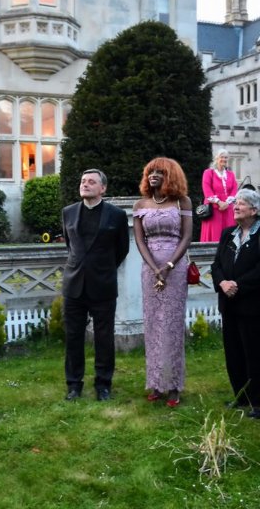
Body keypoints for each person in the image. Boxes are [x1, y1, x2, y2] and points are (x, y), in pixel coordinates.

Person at [61, 169, 129, 402]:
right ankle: (73, 385)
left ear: (103, 188)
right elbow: (71, 246)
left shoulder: (117, 215)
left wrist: (104, 269)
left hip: (103, 286)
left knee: (104, 338)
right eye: (83, 181)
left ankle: (103, 385)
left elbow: (122, 249)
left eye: (91, 182)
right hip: (74, 285)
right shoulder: (68, 213)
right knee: (73, 337)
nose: (85, 185)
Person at [132, 158, 193, 407]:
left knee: (171, 326)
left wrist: (168, 267)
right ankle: (156, 383)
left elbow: (187, 236)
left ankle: (174, 386)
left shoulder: (182, 202)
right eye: (150, 172)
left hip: (175, 268)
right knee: (153, 325)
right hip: (150, 270)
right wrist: (154, 267)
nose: (153, 176)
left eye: (159, 172)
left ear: (171, 176)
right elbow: (139, 241)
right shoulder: (140, 204)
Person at [211, 188, 260, 419]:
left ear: (255, 209)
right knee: (234, 353)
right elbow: (215, 265)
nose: (236, 206)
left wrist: (236, 285)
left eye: (241, 203)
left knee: (254, 353)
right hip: (229, 305)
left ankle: (258, 402)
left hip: (252, 305)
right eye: (235, 203)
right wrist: (222, 283)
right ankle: (241, 396)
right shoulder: (228, 233)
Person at [200, 149, 238, 242]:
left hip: (228, 208)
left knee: (229, 233)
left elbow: (234, 190)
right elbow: (207, 190)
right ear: (216, 158)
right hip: (213, 209)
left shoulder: (231, 174)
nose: (224, 159)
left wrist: (227, 203)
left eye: (226, 157)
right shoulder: (208, 172)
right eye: (222, 157)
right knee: (214, 234)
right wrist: (219, 202)